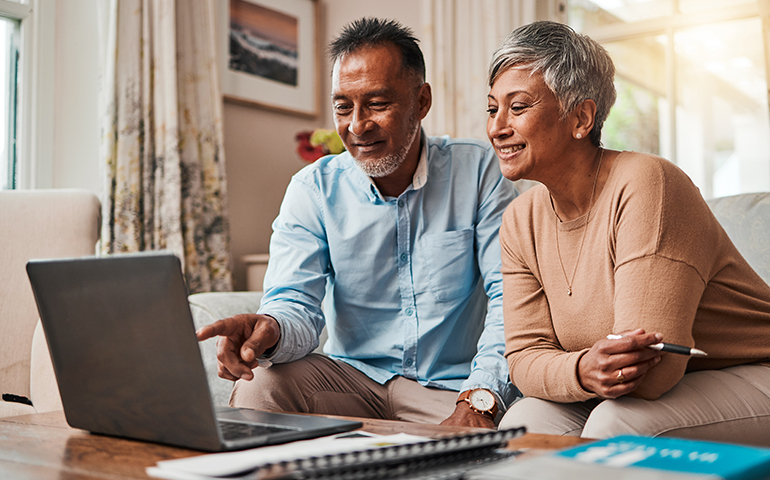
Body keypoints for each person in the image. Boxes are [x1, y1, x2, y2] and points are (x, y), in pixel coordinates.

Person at [196, 17, 519, 428]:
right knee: (261, 384)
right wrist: (269, 327)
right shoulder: (313, 189)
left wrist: (479, 400)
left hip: (451, 389)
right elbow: (295, 303)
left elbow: (511, 298)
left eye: (378, 104)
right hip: (351, 383)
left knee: (519, 428)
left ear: (421, 102)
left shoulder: (477, 171)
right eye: (343, 107)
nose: (357, 125)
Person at [488, 21, 770, 444]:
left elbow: (652, 372)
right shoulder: (519, 220)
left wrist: (574, 369)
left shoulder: (649, 183)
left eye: (519, 106)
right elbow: (524, 360)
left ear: (581, 117)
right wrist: (583, 370)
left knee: (616, 425)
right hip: (625, 390)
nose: (497, 127)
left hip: (751, 372)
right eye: (492, 109)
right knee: (522, 424)